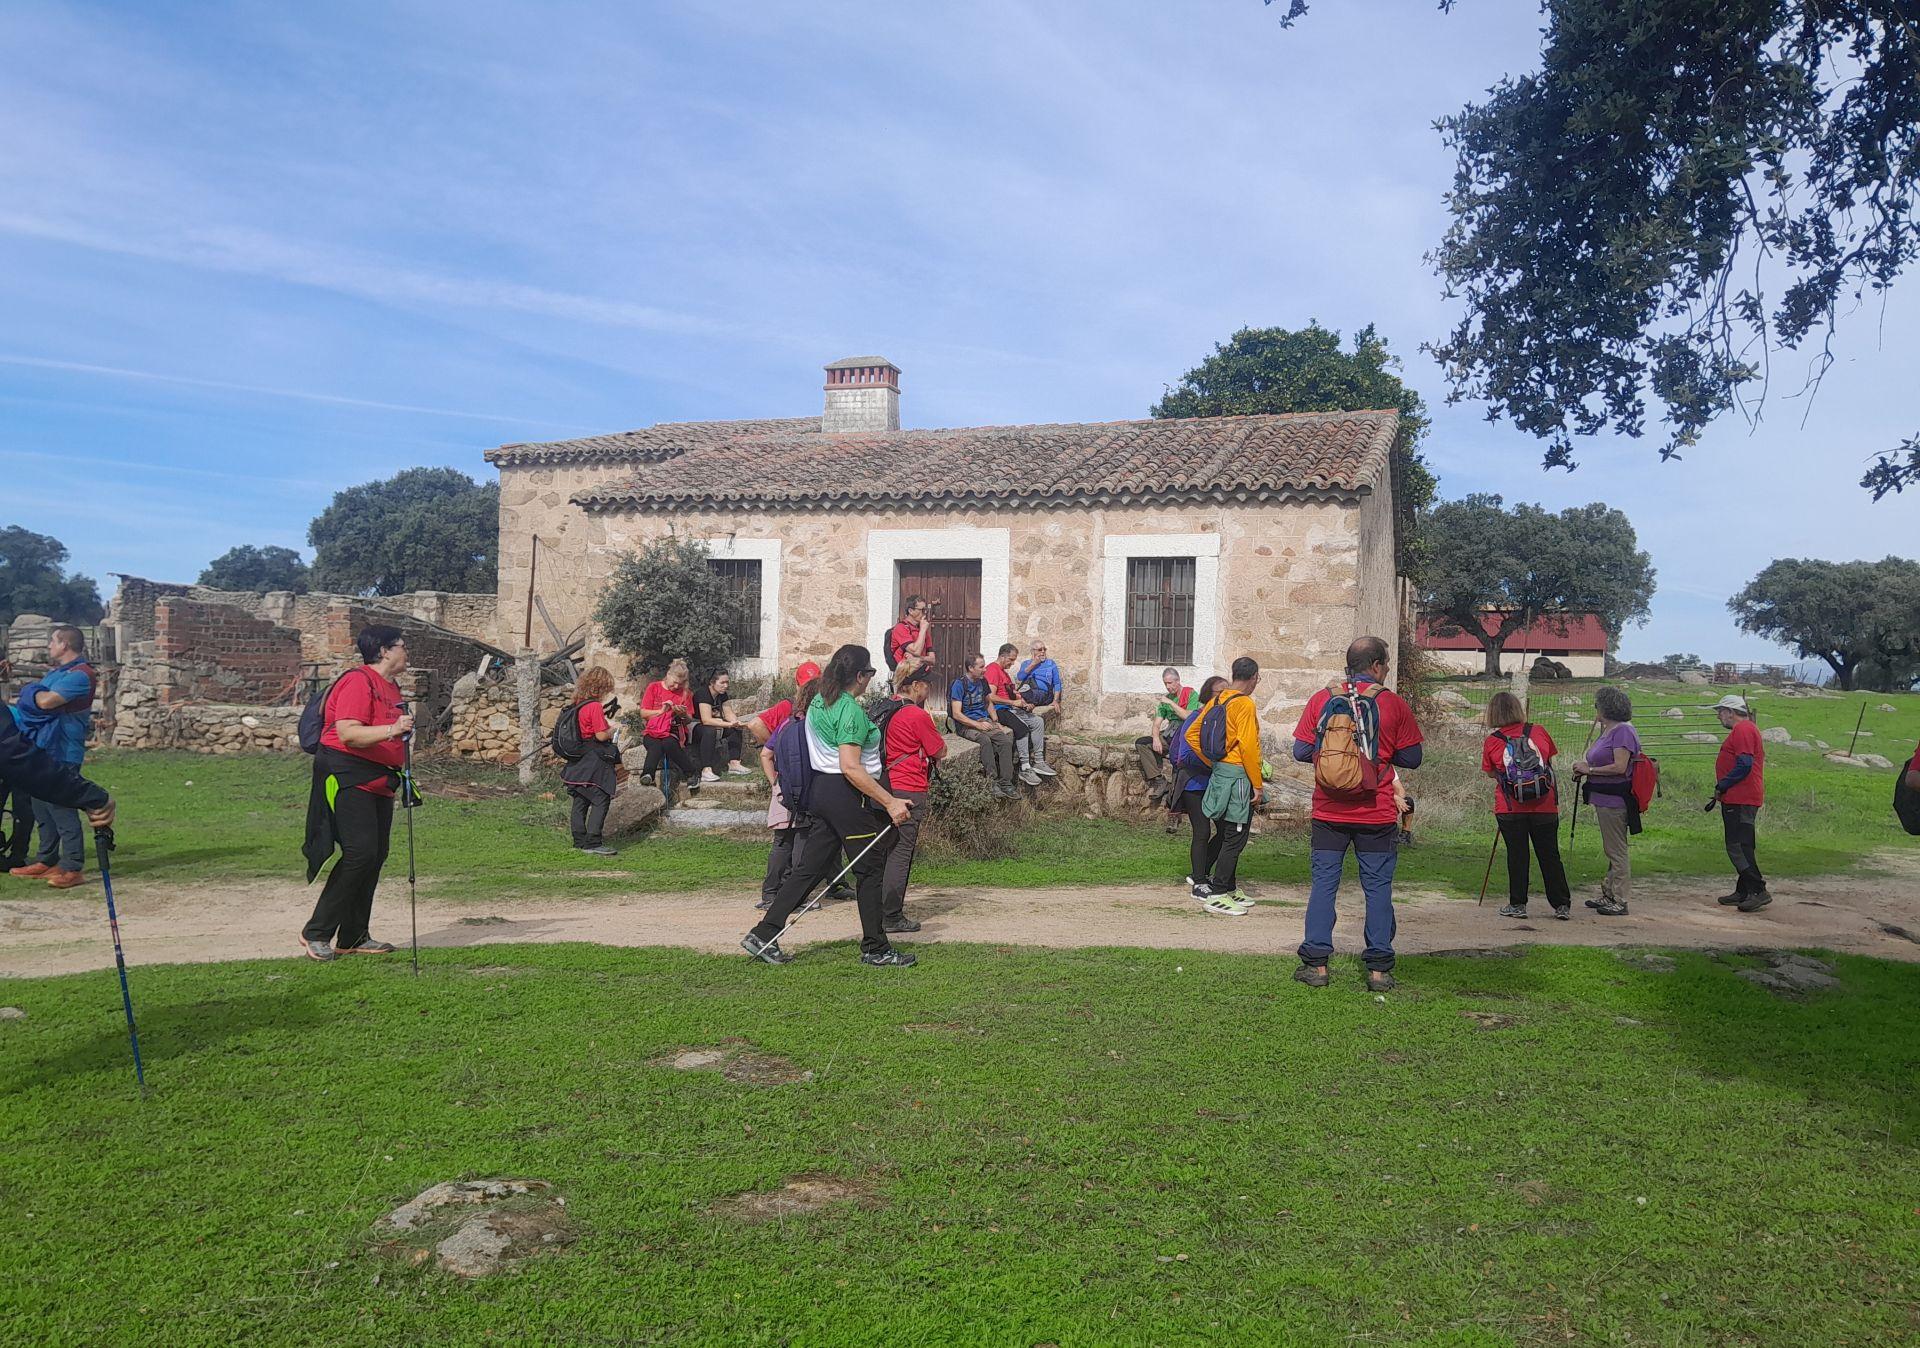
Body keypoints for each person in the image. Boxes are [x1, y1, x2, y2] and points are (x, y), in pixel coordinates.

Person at [742, 644, 916, 968]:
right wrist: (890, 802)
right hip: (845, 794)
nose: (870, 680)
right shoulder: (848, 710)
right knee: (870, 868)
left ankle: (763, 933)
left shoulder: (819, 700)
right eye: (870, 674)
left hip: (821, 790)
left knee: (810, 868)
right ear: (861, 676)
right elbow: (850, 766)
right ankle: (876, 948)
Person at [1290, 636, 1424, 992]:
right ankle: (1379, 970)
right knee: (1378, 889)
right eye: (1388, 664)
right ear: (1377, 665)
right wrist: (1377, 755)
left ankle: (1316, 965)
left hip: (1328, 810)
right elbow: (1413, 758)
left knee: (1324, 886)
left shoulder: (1322, 699)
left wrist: (1334, 758)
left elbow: (1301, 749)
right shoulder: (1392, 703)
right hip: (1376, 812)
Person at [299, 625, 413, 961]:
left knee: (375, 855)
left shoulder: (392, 687)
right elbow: (348, 733)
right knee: (359, 853)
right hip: (347, 775)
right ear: (383, 651)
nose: (406, 652)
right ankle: (316, 932)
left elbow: (389, 733)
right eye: (402, 646)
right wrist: (393, 729)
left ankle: (354, 935)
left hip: (381, 780)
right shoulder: (357, 681)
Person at [750, 661, 849, 911]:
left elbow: (765, 753)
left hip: (783, 788)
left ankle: (771, 893)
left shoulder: (786, 723)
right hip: (805, 790)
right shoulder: (814, 726)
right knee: (802, 841)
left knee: (782, 841)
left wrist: (775, 781)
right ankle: (796, 896)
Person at [7, 626, 97, 888]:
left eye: (52, 641)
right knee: (40, 804)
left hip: (64, 749)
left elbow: (46, 702)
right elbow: (35, 697)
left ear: (65, 645)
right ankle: (46, 860)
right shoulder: (56, 673)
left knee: (62, 805)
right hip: (43, 747)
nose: (49, 646)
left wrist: (30, 693)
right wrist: (33, 694)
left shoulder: (81, 675)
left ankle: (72, 867)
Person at [1479, 690, 1571, 920]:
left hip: (1510, 807)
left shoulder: (1493, 741)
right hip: (1545, 805)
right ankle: (1561, 905)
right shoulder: (1538, 731)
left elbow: (1491, 773)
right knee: (1549, 854)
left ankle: (1518, 904)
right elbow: (1549, 759)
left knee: (1517, 855)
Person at [1185, 658, 1265, 916]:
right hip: (1239, 777)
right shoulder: (1243, 703)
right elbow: (1249, 747)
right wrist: (1257, 784)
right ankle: (1218, 893)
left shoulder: (1218, 700)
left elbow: (1191, 735)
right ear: (1253, 677)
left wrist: (1214, 760)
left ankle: (1229, 887)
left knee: (1229, 831)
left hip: (1221, 773)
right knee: (1235, 836)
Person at [877, 665, 947, 933]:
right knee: (901, 852)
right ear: (916, 685)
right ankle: (891, 916)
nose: (929, 689)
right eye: (926, 684)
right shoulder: (915, 715)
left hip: (884, 786)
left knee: (886, 850)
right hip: (909, 788)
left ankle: (879, 908)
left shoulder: (887, 707)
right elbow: (938, 750)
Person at [1569, 685, 1640, 917]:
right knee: (1613, 849)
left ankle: (1619, 899)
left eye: (1597, 705)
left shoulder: (1622, 732)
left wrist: (1589, 769)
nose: (1595, 709)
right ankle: (1609, 893)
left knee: (1616, 850)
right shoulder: (1611, 730)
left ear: (1605, 708)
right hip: (1605, 798)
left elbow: (1620, 767)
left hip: (1615, 801)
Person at [1709, 694, 1769, 912]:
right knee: (1744, 844)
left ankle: (1757, 889)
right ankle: (1743, 890)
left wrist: (1723, 785)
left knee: (1737, 846)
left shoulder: (1743, 730)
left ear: (1730, 712)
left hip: (1740, 797)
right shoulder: (1747, 729)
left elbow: (1744, 763)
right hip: (1741, 796)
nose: (1718, 717)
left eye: (1720, 712)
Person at [1171, 674, 1227, 892]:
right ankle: (1199, 879)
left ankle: (1201, 872)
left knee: (1225, 831)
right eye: (1220, 693)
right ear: (1208, 695)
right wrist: (1213, 763)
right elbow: (1185, 755)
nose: (1225, 697)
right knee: (1202, 831)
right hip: (1194, 783)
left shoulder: (1221, 719)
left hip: (1215, 783)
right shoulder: (1195, 718)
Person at [559, 666, 623, 856]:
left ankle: (579, 841)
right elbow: (601, 735)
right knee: (600, 798)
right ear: (602, 687)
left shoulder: (576, 704)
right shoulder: (593, 706)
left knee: (580, 800)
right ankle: (593, 842)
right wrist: (613, 729)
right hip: (593, 761)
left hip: (576, 761)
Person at [948, 653, 1019, 799]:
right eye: (981, 667)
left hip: (984, 720)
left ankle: (1005, 782)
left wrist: (995, 720)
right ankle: (991, 781)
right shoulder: (959, 684)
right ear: (970, 668)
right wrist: (977, 725)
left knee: (1005, 742)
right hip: (965, 725)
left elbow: (988, 702)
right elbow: (956, 714)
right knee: (985, 741)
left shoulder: (982, 682)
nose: (985, 670)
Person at [1137, 667, 1198, 831]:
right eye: (1165, 684)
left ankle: (1174, 816)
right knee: (1142, 743)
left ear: (1177, 681)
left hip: (1184, 739)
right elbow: (1157, 723)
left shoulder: (1191, 694)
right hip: (1170, 735)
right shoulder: (1165, 700)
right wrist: (1156, 738)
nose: (1168, 687)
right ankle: (1158, 780)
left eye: (1170, 683)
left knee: (1178, 770)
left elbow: (1188, 716)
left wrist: (1171, 703)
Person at [985, 643, 1046, 786]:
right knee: (1022, 728)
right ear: (1002, 656)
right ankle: (1024, 767)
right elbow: (990, 697)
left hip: (1010, 707)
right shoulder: (993, 670)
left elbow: (1012, 694)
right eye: (1011, 660)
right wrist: (1013, 703)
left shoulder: (1003, 673)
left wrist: (1023, 703)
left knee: (1038, 721)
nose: (1012, 663)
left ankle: (1039, 761)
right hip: (999, 710)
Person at [637, 658, 698, 801]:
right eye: (674, 682)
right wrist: (661, 711)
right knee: (655, 744)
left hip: (673, 729)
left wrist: (682, 713)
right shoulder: (654, 687)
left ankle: (690, 773)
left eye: (680, 684)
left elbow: (689, 719)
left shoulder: (685, 693)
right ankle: (648, 775)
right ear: (668, 675)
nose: (676, 686)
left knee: (668, 743)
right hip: (653, 729)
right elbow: (643, 713)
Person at [1013, 641, 1062, 775]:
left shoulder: (1050, 664)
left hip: (1043, 694)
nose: (1043, 652)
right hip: (1029, 691)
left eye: (1044, 649)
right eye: (1040, 650)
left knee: (1027, 691)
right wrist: (1033, 664)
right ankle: (1023, 703)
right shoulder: (1026, 664)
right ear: (1033, 651)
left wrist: (1056, 700)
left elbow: (1057, 683)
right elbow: (1019, 677)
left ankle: (1023, 703)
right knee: (1023, 688)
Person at [693, 671, 751, 783]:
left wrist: (735, 722)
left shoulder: (722, 694)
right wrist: (728, 724)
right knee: (710, 731)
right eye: (722, 682)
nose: (726, 686)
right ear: (712, 682)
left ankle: (734, 763)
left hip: (712, 722)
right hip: (695, 725)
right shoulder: (703, 693)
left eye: (727, 682)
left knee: (735, 729)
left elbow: (728, 713)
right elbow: (706, 720)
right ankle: (706, 769)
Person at [885, 595, 935, 679]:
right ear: (911, 611)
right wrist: (922, 631)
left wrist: (919, 658)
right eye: (921, 610)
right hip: (906, 676)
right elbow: (916, 651)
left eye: (925, 610)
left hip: (921, 673)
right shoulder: (900, 628)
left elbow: (932, 660)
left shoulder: (923, 630)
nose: (924, 613)